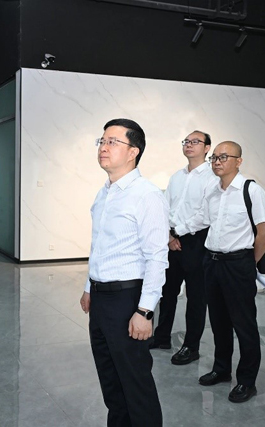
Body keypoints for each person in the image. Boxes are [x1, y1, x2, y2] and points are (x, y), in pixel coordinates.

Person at [80, 118, 169, 426]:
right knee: (110, 380)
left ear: (134, 151)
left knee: (135, 382)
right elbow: (99, 245)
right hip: (101, 298)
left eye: (112, 142)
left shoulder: (147, 195)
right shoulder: (104, 193)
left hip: (128, 300)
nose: (103, 147)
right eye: (102, 141)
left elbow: (157, 257)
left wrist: (145, 311)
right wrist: (89, 287)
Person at [191, 141, 265, 403]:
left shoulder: (252, 190)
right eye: (214, 157)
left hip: (238, 264)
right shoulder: (212, 191)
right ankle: (221, 369)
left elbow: (263, 233)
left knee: (244, 324)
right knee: (218, 322)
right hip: (212, 263)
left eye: (224, 157)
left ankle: (247, 381)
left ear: (239, 161)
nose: (217, 161)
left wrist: (248, 264)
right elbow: (203, 221)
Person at [150, 131, 218, 366]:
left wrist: (178, 231)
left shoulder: (212, 177)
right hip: (172, 240)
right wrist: (169, 235)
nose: (189, 145)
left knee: (196, 297)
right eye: (186, 142)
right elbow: (165, 207)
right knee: (167, 292)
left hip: (196, 242)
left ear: (207, 148)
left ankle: (191, 346)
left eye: (195, 142)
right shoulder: (177, 176)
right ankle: (161, 337)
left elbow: (205, 214)